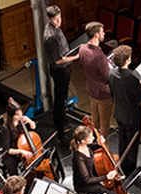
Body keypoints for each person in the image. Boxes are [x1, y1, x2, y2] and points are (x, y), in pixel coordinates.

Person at [70, 125, 127, 194]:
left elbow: (92, 146)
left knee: (116, 179)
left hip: (92, 174)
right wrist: (106, 177)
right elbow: (86, 180)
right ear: (83, 141)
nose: (93, 138)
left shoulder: (86, 146)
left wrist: (99, 144)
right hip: (84, 185)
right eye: (90, 137)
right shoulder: (79, 158)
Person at [44, 5, 79, 144]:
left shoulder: (56, 28)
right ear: (49, 18)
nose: (59, 21)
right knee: (59, 100)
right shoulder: (50, 36)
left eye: (60, 18)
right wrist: (75, 57)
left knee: (63, 97)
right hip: (60, 70)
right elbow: (58, 60)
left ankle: (64, 120)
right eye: (56, 19)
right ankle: (60, 130)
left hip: (65, 68)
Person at [108, 45, 141, 178]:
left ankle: (122, 166)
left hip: (119, 112)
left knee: (123, 140)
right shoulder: (131, 77)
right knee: (132, 144)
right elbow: (139, 97)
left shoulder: (111, 73)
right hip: (132, 116)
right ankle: (131, 171)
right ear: (128, 60)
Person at [79, 21, 114, 140]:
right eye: (102, 32)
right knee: (104, 124)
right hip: (103, 93)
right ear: (96, 35)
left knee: (94, 120)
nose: (104, 33)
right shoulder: (99, 55)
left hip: (91, 89)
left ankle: (92, 144)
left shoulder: (82, 49)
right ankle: (105, 154)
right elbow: (107, 76)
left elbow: (83, 67)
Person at [0, 99, 37, 177]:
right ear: (11, 115)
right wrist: (22, 151)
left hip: (23, 148)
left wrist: (30, 121)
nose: (20, 116)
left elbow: (33, 127)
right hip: (12, 154)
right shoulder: (6, 128)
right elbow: (8, 150)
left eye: (21, 113)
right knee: (14, 172)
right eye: (17, 115)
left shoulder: (21, 120)